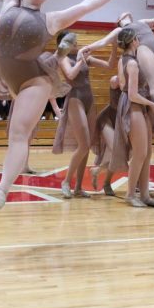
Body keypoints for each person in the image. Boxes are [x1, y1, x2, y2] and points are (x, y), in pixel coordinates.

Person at [0, 0, 133, 210]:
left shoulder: (50, 20)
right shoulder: (8, 4)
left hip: (32, 81)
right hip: (7, 74)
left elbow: (84, 6)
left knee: (18, 135)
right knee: (16, 133)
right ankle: (4, 187)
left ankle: (2, 191)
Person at [53, 31, 116, 198]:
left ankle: (79, 187)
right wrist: (81, 58)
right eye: (72, 42)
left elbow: (109, 65)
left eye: (75, 42)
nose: (76, 44)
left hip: (89, 99)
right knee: (83, 144)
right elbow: (71, 75)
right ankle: (66, 181)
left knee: (86, 146)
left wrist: (115, 46)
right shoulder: (62, 58)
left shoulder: (84, 57)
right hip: (75, 99)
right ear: (63, 44)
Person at [109, 26, 154, 207]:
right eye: (138, 39)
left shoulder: (123, 60)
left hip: (137, 105)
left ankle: (145, 195)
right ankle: (130, 194)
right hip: (133, 105)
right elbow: (132, 94)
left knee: (147, 153)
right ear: (134, 41)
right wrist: (153, 104)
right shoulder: (132, 63)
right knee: (140, 153)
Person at [90, 75, 121, 195]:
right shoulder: (115, 79)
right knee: (116, 150)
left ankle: (99, 172)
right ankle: (105, 181)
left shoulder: (139, 80)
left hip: (124, 121)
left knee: (122, 154)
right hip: (108, 119)